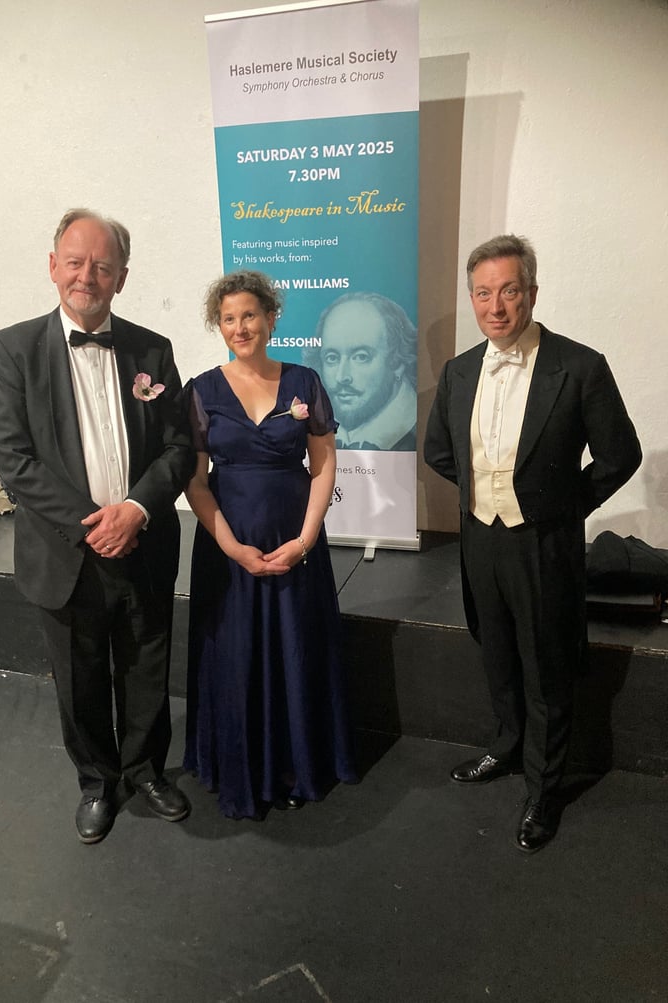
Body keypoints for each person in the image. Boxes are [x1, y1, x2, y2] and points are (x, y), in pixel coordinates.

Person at [424, 234, 641, 853]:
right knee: (496, 651)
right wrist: (478, 493)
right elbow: (440, 451)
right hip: (480, 540)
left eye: (509, 290)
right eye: (483, 293)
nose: (496, 306)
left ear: (532, 293)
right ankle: (505, 745)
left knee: (547, 666)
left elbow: (619, 455)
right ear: (472, 299)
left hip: (543, 543)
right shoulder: (460, 369)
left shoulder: (580, 366)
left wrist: (564, 504)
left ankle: (545, 788)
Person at [0, 208, 195, 844]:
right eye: (75, 262)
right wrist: (92, 524)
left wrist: (134, 510)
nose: (87, 275)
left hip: (143, 540)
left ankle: (146, 770)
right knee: (78, 678)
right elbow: (14, 459)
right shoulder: (13, 348)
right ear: (53, 267)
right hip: (64, 551)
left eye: (102, 265)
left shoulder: (152, 349)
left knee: (146, 666)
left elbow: (180, 447)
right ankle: (98, 783)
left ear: (122, 277)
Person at [183, 270, 357, 820]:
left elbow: (324, 462)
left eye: (250, 315)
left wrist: (305, 540)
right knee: (236, 654)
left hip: (294, 539)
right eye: (229, 318)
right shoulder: (201, 390)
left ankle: (296, 763)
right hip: (227, 547)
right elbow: (195, 480)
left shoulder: (304, 381)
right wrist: (231, 546)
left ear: (272, 318)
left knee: (296, 646)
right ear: (219, 325)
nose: (241, 327)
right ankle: (241, 766)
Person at [303, 291, 417, 450]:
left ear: (397, 362)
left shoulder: (419, 431)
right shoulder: (306, 427)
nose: (341, 377)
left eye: (361, 357)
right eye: (332, 358)